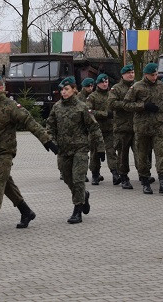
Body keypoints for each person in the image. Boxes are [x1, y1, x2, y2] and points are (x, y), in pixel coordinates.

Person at [0, 75, 57, 236]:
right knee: (6, 184)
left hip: (6, 151)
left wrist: (47, 141)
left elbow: (30, 122)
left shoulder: (10, 106)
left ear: (1, 88)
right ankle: (26, 211)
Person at [46, 77, 104, 224]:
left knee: (78, 179)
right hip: (63, 150)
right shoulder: (57, 107)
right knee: (67, 178)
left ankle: (77, 210)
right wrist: (51, 141)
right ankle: (83, 195)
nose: (63, 92)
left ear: (74, 89)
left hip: (80, 149)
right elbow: (50, 126)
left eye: (66, 89)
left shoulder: (82, 107)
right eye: (62, 90)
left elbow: (94, 127)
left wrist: (101, 147)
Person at [123, 63, 163, 194]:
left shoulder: (161, 86)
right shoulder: (137, 87)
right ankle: (145, 180)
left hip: (158, 126)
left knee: (161, 153)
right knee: (142, 155)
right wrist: (143, 106)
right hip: (142, 127)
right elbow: (126, 105)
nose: (155, 77)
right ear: (146, 75)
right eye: (152, 75)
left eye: (156, 74)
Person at [107, 65, 138, 190]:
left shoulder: (138, 86)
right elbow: (111, 103)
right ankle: (124, 177)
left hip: (137, 126)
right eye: (128, 73)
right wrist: (127, 105)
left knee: (140, 153)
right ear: (122, 75)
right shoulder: (116, 88)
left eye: (132, 72)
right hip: (122, 127)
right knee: (122, 155)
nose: (131, 75)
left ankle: (143, 174)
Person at [87, 73, 119, 185]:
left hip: (110, 129)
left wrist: (113, 115)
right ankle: (95, 174)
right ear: (98, 84)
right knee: (95, 153)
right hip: (96, 130)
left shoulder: (111, 95)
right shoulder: (92, 97)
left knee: (111, 152)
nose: (105, 84)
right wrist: (105, 114)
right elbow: (89, 112)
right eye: (102, 82)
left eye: (106, 82)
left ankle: (115, 173)